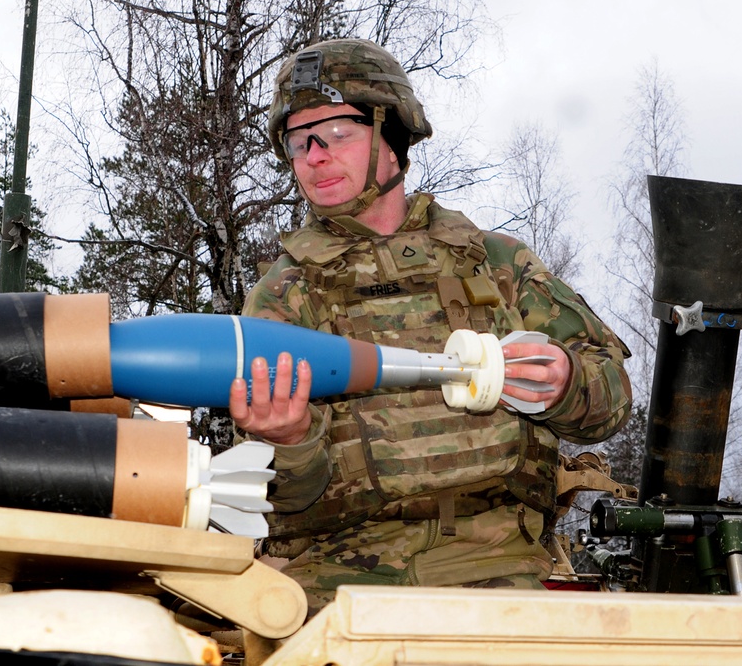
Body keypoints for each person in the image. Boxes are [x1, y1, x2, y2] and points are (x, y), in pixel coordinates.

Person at [228, 38, 633, 617]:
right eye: (299, 141)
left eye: (338, 133)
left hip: (495, 568)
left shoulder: (498, 264)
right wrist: (286, 442)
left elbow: (612, 404)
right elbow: (275, 494)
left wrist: (567, 384)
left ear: (393, 136)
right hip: (336, 583)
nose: (315, 156)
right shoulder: (284, 294)